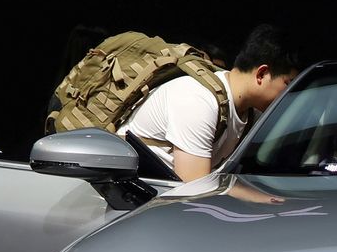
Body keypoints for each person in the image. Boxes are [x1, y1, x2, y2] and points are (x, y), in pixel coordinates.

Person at [118, 24, 300, 182]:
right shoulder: (199, 100)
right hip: (124, 200)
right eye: (288, 83)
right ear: (261, 74)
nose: (290, 95)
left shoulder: (251, 113)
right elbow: (194, 192)